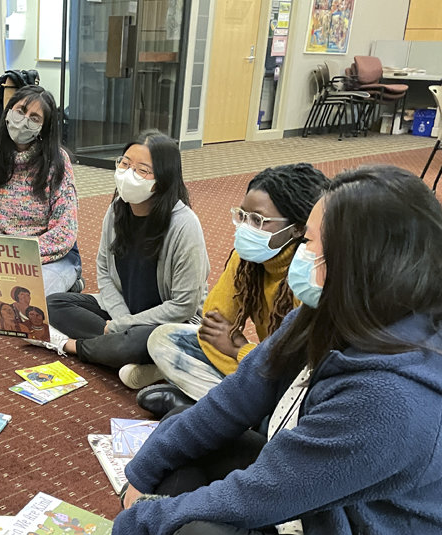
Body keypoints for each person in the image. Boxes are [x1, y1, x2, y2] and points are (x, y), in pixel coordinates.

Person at [64, 166, 442, 535]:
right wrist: (142, 474)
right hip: (333, 514)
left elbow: (261, 493)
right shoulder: (328, 311)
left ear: (362, 262)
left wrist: (140, 523)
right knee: (188, 440)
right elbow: (231, 400)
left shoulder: (395, 398)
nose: (301, 255)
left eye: (312, 244)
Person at [139, 164, 329, 417]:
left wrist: (240, 349)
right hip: (264, 366)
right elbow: (214, 319)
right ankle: (241, 411)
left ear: (296, 228)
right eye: (242, 216)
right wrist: (243, 256)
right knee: (165, 339)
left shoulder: (308, 273)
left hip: (294, 377)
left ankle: (230, 411)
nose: (245, 228)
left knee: (296, 393)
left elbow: (298, 364)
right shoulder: (250, 260)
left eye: (257, 220)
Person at [31, 130, 209, 390]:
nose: (128, 173)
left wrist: (122, 326)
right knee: (53, 303)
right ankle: (148, 362)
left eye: (142, 170)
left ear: (162, 179)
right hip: (123, 310)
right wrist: (120, 320)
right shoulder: (117, 210)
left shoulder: (184, 225)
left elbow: (183, 305)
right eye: (125, 163)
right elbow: (103, 270)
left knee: (138, 341)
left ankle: (71, 346)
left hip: (167, 322)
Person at [0, 85, 82, 296]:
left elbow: (64, 233)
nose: (24, 120)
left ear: (43, 128)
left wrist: (21, 258)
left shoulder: (58, 162)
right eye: (21, 111)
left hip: (54, 256)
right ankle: (65, 290)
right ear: (9, 112)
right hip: (4, 259)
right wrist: (8, 261)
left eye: (35, 118)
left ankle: (68, 283)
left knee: (27, 298)